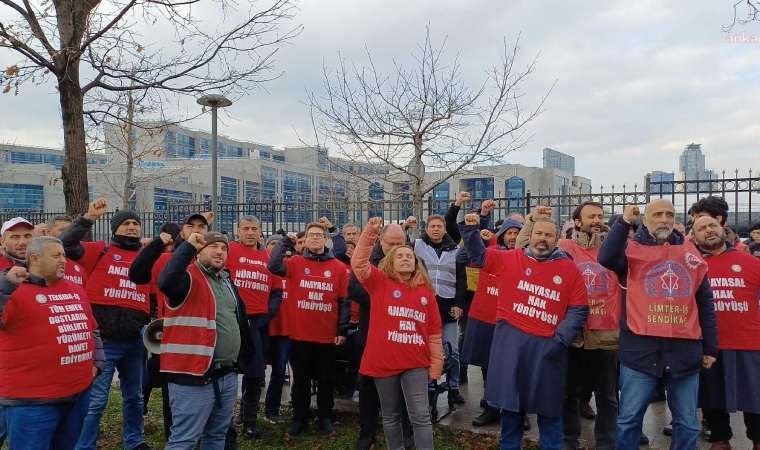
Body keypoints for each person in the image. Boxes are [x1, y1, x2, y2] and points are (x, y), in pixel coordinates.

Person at [598, 199, 719, 450]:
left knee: (687, 422)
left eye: (669, 214)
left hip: (684, 353)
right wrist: (623, 222)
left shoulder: (690, 254)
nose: (664, 219)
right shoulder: (630, 252)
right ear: (646, 219)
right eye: (657, 214)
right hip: (640, 352)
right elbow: (607, 257)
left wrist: (710, 348)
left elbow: (705, 303)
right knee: (629, 419)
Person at [462, 211, 589, 450]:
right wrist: (470, 231)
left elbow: (579, 309)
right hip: (512, 350)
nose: (543, 239)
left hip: (548, 351)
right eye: (539, 233)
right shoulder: (510, 259)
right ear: (529, 236)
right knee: (511, 416)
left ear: (557, 238)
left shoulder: (569, 269)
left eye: (549, 235)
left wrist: (560, 341)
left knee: (550, 417)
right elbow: (479, 257)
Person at [61, 199, 152, 450]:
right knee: (97, 400)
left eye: (136, 223)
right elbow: (66, 244)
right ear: (114, 229)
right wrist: (88, 218)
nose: (132, 227)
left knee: (134, 397)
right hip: (104, 341)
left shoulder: (147, 257)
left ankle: (134, 441)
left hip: (134, 341)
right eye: (126, 223)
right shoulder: (99, 251)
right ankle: (84, 445)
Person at [528, 203, 620, 450]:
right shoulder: (565, 248)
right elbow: (527, 250)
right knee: (569, 394)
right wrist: (532, 220)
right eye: (591, 216)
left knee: (608, 397)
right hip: (574, 335)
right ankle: (569, 441)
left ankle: (606, 443)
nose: (598, 220)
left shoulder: (614, 249)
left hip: (607, 334)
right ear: (578, 222)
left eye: (601, 216)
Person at [0, 236, 104, 449]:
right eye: (56, 256)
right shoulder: (13, 290)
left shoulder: (75, 289)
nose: (63, 261)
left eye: (64, 256)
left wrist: (97, 363)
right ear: (35, 258)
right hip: (32, 401)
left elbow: (92, 328)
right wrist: (5, 286)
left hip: (77, 393)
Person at [352, 217, 443, 450]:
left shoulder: (426, 294)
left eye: (408, 255)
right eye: (399, 255)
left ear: (416, 262)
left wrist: (436, 365)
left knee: (421, 416)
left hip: (415, 363)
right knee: (390, 416)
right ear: (390, 261)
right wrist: (369, 233)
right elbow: (360, 264)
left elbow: (434, 333)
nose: (404, 258)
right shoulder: (379, 284)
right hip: (384, 363)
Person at [156, 231, 251, 449]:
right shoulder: (187, 277)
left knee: (217, 435)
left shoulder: (226, 281)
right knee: (184, 439)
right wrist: (187, 247)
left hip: (226, 374)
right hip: (192, 375)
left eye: (224, 248)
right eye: (212, 246)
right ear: (198, 251)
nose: (219, 251)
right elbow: (166, 281)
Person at [267, 222, 350, 436]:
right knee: (301, 381)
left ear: (325, 239)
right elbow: (273, 266)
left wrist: (341, 330)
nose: (314, 238)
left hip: (327, 337)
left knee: (325, 381)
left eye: (318, 235)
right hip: (300, 335)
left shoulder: (339, 268)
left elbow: (344, 301)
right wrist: (286, 242)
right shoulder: (295, 262)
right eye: (311, 235)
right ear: (306, 239)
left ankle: (325, 418)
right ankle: (299, 418)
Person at [692, 216, 760, 450]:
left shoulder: (750, 262)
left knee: (756, 402)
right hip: (710, 346)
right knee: (713, 401)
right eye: (701, 228)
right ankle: (720, 440)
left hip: (749, 344)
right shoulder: (693, 266)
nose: (708, 230)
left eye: (712, 225)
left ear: (723, 229)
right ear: (694, 236)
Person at [348, 223, 413, 450]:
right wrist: (383, 298)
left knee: (404, 387)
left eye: (400, 243)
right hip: (372, 334)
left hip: (403, 336)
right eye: (391, 243)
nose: (396, 248)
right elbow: (353, 288)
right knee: (368, 386)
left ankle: (406, 432)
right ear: (381, 242)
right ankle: (367, 431)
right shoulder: (368, 261)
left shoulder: (411, 260)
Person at [460, 218, 523, 428]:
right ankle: (491, 407)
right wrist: (471, 230)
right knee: (488, 365)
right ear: (502, 235)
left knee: (515, 367)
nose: (513, 237)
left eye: (517, 233)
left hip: (515, 320)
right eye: (509, 233)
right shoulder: (492, 252)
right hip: (487, 317)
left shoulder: (530, 258)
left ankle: (515, 411)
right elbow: (471, 254)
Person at [226, 215, 282, 439]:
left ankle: (248, 420)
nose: (250, 233)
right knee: (226, 373)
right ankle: (223, 422)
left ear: (260, 232)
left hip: (258, 323)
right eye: (246, 229)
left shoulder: (268, 257)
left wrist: (268, 312)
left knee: (256, 374)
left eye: (254, 229)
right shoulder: (228, 250)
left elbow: (277, 291)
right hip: (231, 320)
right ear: (238, 230)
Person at [413, 214, 467, 417]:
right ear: (426, 228)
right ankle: (429, 386)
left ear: (444, 229)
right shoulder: (417, 245)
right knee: (426, 351)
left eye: (439, 226)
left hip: (447, 305)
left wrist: (459, 304)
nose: (435, 229)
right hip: (424, 306)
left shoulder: (455, 250)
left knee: (452, 351)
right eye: (432, 226)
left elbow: (461, 279)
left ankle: (453, 388)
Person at [263, 234, 292, 423]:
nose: (276, 247)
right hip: (263, 327)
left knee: (280, 371)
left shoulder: (288, 267)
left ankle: (272, 410)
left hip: (284, 330)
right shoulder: (262, 267)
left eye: (279, 243)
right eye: (272, 243)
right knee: (254, 372)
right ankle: (244, 414)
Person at [44, 215, 89, 287]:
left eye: (70, 231)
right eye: (62, 230)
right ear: (48, 232)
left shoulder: (81, 255)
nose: (68, 234)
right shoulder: (39, 260)